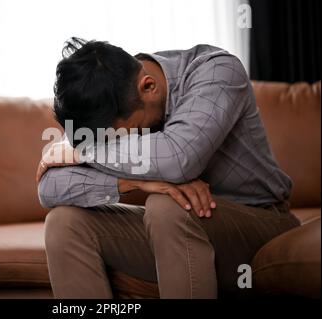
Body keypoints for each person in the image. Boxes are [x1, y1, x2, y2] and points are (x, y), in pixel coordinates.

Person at [36, 38, 300, 298]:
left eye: (125, 136)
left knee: (168, 205)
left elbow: (178, 158)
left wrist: (83, 151)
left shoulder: (217, 70)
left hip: (261, 224)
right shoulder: (101, 99)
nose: (115, 146)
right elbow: (49, 187)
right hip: (175, 236)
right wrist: (132, 183)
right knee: (64, 222)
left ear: (149, 87)